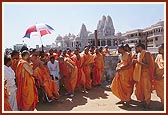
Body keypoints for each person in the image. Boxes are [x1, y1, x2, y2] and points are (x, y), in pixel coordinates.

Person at [133, 43, 154, 109]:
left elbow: (148, 65)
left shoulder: (146, 53)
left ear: (140, 47)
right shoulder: (139, 54)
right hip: (139, 74)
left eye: (136, 48)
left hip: (145, 74)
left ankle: (147, 103)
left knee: (146, 88)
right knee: (140, 88)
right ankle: (143, 101)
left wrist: (137, 62)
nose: (135, 49)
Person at [154, 43, 164, 109]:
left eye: (160, 49)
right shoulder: (158, 56)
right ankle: (163, 103)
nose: (158, 50)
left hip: (164, 78)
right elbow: (155, 65)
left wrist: (163, 75)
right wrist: (154, 74)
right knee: (159, 92)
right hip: (157, 77)